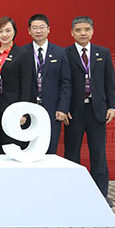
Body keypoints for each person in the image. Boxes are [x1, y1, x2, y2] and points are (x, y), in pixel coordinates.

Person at [63, 16, 115, 206]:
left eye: (86, 29)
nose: (83, 33)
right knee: (72, 154)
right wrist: (64, 108)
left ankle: (101, 195)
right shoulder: (65, 53)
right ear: (72, 33)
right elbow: (64, 83)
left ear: (92, 31)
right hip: (74, 112)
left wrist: (112, 106)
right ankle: (72, 193)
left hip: (97, 111)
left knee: (98, 154)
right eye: (78, 30)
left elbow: (110, 82)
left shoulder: (103, 53)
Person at [25, 14, 71, 155]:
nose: (38, 31)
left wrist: (63, 108)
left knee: (50, 150)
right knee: (28, 150)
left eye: (42, 27)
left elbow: (66, 82)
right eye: (35, 28)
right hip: (29, 109)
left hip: (52, 110)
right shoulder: (23, 52)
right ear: (29, 31)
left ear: (49, 29)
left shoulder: (60, 52)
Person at [0, 16, 31, 154]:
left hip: (14, 107)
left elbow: (26, 85)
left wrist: (23, 112)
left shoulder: (23, 54)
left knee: (12, 147)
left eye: (8, 30)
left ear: (14, 32)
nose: (4, 35)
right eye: (0, 31)